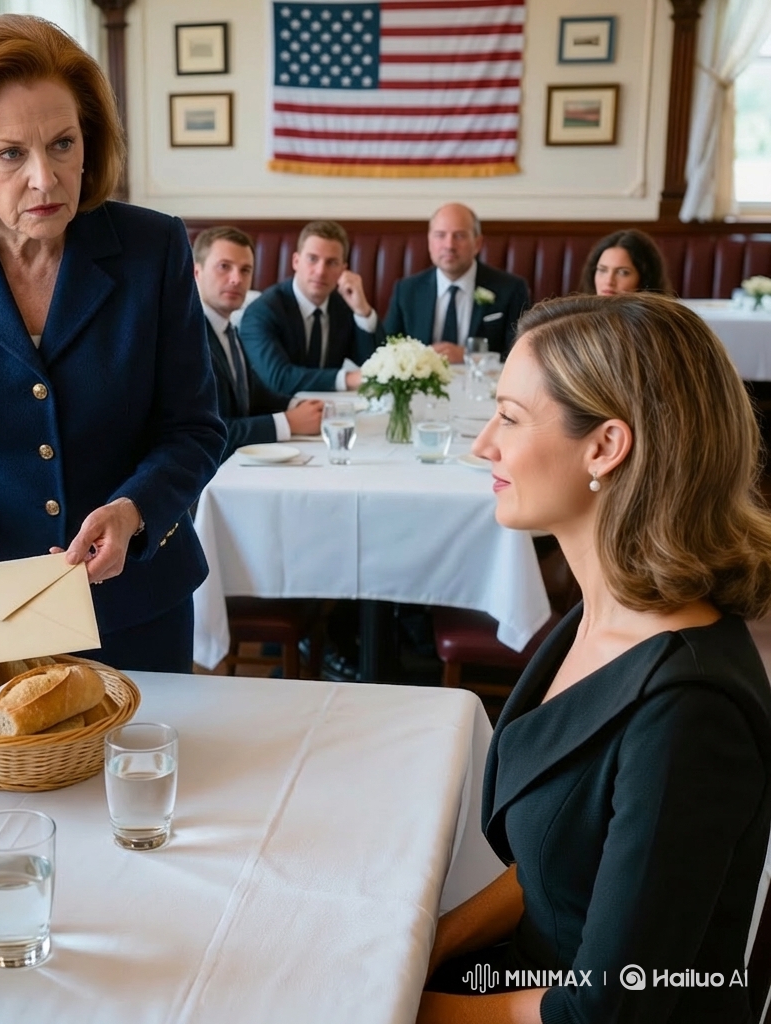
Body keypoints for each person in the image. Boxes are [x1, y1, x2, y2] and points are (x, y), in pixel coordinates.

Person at [421, 294, 771, 1024]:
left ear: (606, 446)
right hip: (524, 982)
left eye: (509, 417)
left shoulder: (688, 711)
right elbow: (560, 855)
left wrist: (392, 1003)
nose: (483, 444)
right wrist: (426, 944)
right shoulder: (605, 610)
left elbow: (603, 1008)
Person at [0, 15, 225, 673]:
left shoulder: (154, 248)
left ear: (88, 144)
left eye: (61, 144)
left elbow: (193, 429)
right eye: (9, 154)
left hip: (134, 597)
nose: (45, 179)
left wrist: (134, 511)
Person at [192, 226, 323, 461]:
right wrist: (287, 423)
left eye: (246, 270)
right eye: (224, 266)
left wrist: (299, 404)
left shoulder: (229, 328)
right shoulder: (188, 338)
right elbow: (204, 432)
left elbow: (253, 396)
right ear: (196, 272)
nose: (236, 279)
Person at [238, 220, 383, 394]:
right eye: (312, 259)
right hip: (276, 408)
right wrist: (348, 379)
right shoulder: (263, 311)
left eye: (331, 263)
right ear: (296, 261)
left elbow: (376, 365)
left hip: (331, 408)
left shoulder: (343, 306)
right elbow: (279, 378)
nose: (320, 271)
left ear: (343, 269)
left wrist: (362, 311)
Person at [384, 203, 530, 363]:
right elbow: (388, 350)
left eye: (459, 236)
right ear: (429, 241)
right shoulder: (406, 291)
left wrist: (471, 357)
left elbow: (524, 355)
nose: (449, 245)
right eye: (440, 235)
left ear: (477, 243)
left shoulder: (511, 289)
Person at [578, 228, 671, 296]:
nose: (609, 281)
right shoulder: (578, 315)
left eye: (622, 272)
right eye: (602, 270)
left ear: (645, 279)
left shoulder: (658, 318)